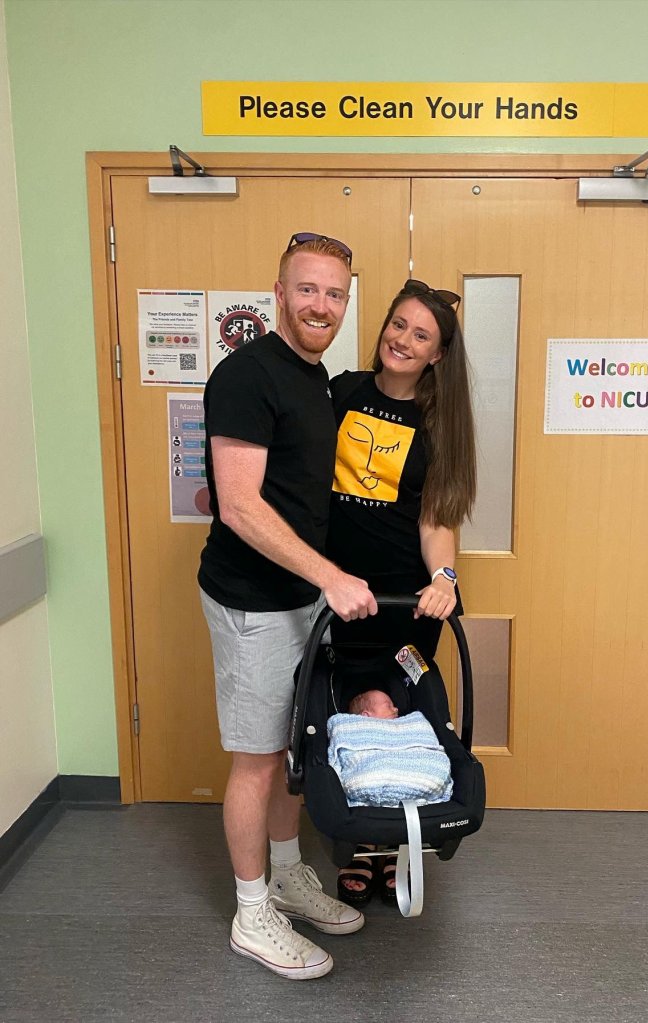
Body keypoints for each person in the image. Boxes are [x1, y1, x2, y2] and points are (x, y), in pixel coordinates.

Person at [198, 232, 378, 982]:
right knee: (256, 760)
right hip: (255, 603)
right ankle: (250, 910)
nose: (321, 305)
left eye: (334, 294)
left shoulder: (315, 377)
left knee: (288, 751)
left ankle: (285, 872)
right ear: (277, 293)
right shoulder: (246, 375)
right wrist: (330, 576)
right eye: (307, 289)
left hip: (300, 599)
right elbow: (239, 506)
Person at [326, 278, 476, 906]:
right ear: (383, 326)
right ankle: (354, 840)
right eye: (398, 325)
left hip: (403, 605)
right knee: (339, 706)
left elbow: (436, 519)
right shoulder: (339, 393)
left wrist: (444, 580)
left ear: (438, 354)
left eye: (421, 335)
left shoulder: (439, 424)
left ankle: (390, 841)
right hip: (333, 590)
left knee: (396, 711)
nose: (403, 340)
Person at [327, 692, 453, 808]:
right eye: (389, 706)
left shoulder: (411, 724)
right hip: (371, 774)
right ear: (366, 716)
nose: (396, 709)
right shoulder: (351, 727)